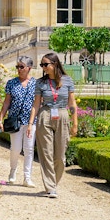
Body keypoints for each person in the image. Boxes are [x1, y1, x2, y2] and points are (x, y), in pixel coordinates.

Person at [27, 52, 78, 199]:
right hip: (45, 114)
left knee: (60, 156)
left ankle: (53, 182)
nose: (43, 67)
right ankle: (50, 187)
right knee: (46, 153)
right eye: (42, 65)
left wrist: (75, 123)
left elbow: (72, 103)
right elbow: (36, 104)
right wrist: (31, 123)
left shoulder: (67, 81)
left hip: (62, 115)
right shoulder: (40, 82)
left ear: (55, 64)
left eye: (45, 64)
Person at [0, 56, 37, 187]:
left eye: (22, 67)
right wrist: (1, 119)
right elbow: (7, 102)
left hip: (30, 121)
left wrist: (31, 123)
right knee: (15, 148)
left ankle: (27, 177)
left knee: (29, 149)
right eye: (17, 67)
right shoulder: (11, 83)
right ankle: (13, 171)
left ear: (29, 68)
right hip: (15, 121)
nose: (19, 69)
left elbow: (36, 104)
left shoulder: (35, 84)